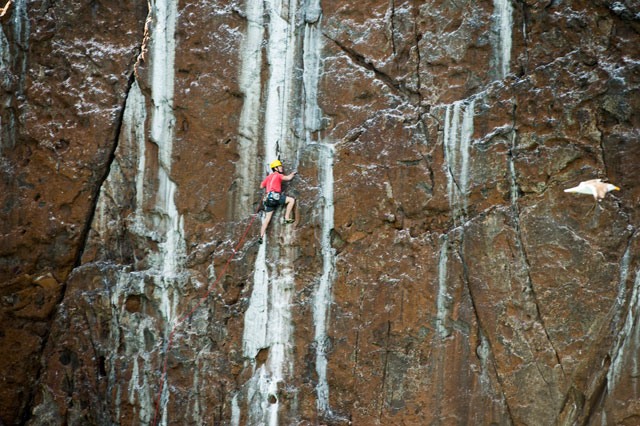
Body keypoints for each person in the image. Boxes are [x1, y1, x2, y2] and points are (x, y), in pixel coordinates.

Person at [259, 160, 297, 243]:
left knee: (267, 218)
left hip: (267, 199)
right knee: (291, 200)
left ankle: (261, 236)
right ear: (275, 168)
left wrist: (266, 183)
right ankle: (286, 218)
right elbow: (288, 178)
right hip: (275, 197)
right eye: (280, 166)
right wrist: (292, 174)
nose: (281, 167)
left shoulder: (268, 177)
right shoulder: (279, 175)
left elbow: (261, 186)